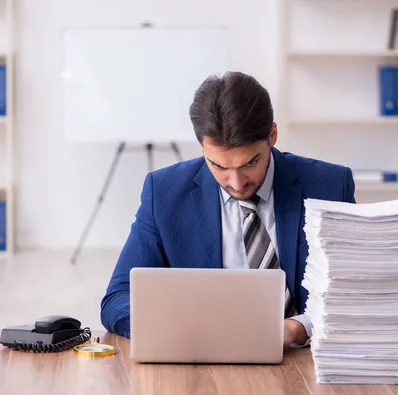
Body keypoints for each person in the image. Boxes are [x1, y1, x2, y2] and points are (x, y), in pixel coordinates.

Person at [100, 71, 356, 348]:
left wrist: (299, 328)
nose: (235, 182)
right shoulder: (164, 193)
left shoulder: (330, 186)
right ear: (201, 146)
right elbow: (117, 300)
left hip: (306, 360)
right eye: (219, 166)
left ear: (272, 135)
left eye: (249, 163)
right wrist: (186, 329)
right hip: (202, 361)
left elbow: (358, 292)